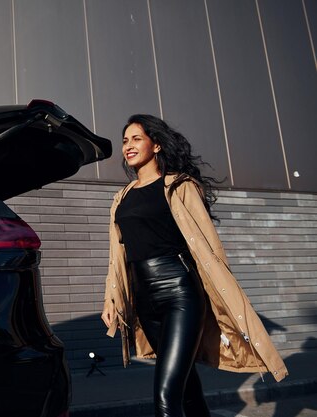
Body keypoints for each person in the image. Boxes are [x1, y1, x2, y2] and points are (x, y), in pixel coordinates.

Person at [101, 114, 288, 417]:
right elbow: (117, 256)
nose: (128, 146)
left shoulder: (179, 186)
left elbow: (209, 246)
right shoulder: (121, 198)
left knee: (165, 396)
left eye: (137, 138)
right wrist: (112, 298)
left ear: (157, 145)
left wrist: (223, 291)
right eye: (125, 141)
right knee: (186, 390)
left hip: (179, 293)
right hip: (144, 301)